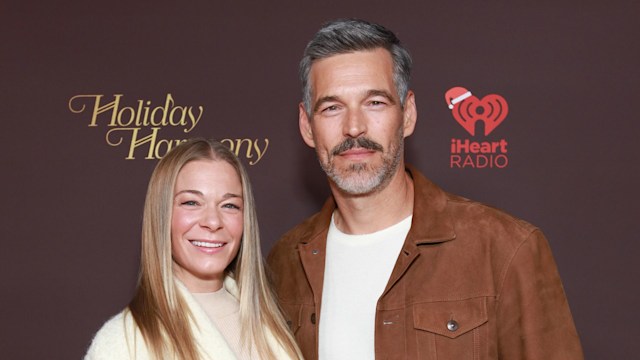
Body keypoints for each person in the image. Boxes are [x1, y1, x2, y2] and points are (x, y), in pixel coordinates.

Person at [267, 19, 584, 359]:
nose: (354, 127)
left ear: (408, 115)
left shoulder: (505, 249)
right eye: (332, 108)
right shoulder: (283, 263)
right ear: (307, 125)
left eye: (375, 102)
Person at [85, 138, 303, 360]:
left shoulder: (272, 324)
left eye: (229, 205)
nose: (213, 221)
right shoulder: (122, 344)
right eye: (191, 203)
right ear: (161, 215)